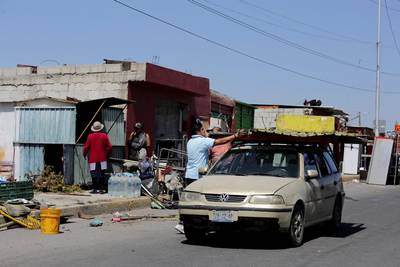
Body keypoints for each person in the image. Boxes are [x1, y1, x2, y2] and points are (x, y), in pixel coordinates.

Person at [175, 119, 241, 233]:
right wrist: (235, 136)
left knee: (189, 201)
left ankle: (183, 222)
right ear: (200, 130)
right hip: (199, 175)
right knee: (204, 201)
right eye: (204, 130)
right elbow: (220, 141)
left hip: (189, 174)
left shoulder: (190, 141)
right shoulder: (203, 141)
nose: (206, 132)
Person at [83, 121, 112, 194]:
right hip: (103, 158)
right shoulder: (104, 135)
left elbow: (86, 147)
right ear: (100, 128)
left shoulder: (90, 136)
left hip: (93, 158)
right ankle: (101, 189)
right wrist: (106, 152)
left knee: (93, 173)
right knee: (102, 173)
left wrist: (84, 154)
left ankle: (95, 189)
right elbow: (110, 146)